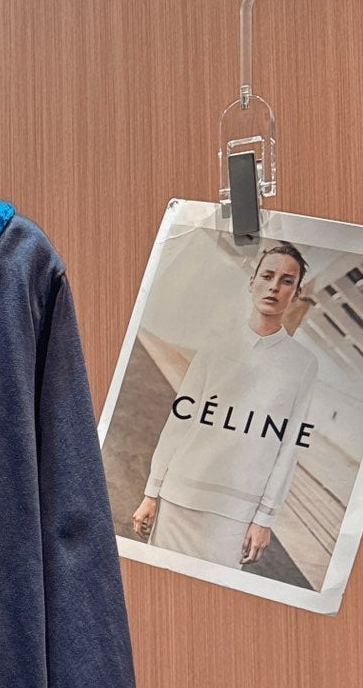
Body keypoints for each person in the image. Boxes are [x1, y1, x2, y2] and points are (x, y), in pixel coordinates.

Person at [130, 240, 320, 569]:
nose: (274, 287)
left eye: (287, 281)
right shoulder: (216, 344)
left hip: (235, 517)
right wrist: (152, 492)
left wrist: (264, 519)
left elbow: (289, 446)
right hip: (179, 497)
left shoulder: (303, 364)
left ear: (296, 293)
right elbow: (179, 422)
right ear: (252, 282)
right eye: (267, 276)